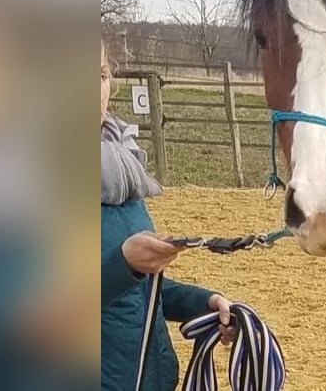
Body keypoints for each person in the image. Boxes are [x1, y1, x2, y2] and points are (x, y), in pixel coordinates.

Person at [101, 40, 235, 391]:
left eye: (99, 75)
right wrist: (124, 263)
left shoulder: (120, 172)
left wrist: (204, 303)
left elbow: (141, 291)